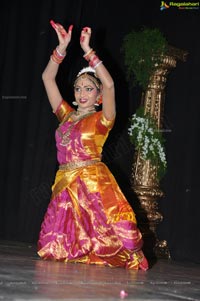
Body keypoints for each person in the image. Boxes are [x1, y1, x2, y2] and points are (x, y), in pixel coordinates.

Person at [37, 20, 149, 271]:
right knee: (52, 248)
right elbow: (47, 77)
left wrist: (88, 52)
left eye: (89, 88)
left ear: (98, 96)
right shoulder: (65, 114)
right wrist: (62, 48)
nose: (81, 93)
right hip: (66, 184)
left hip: (93, 184)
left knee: (118, 236)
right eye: (78, 88)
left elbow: (109, 84)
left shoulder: (102, 119)